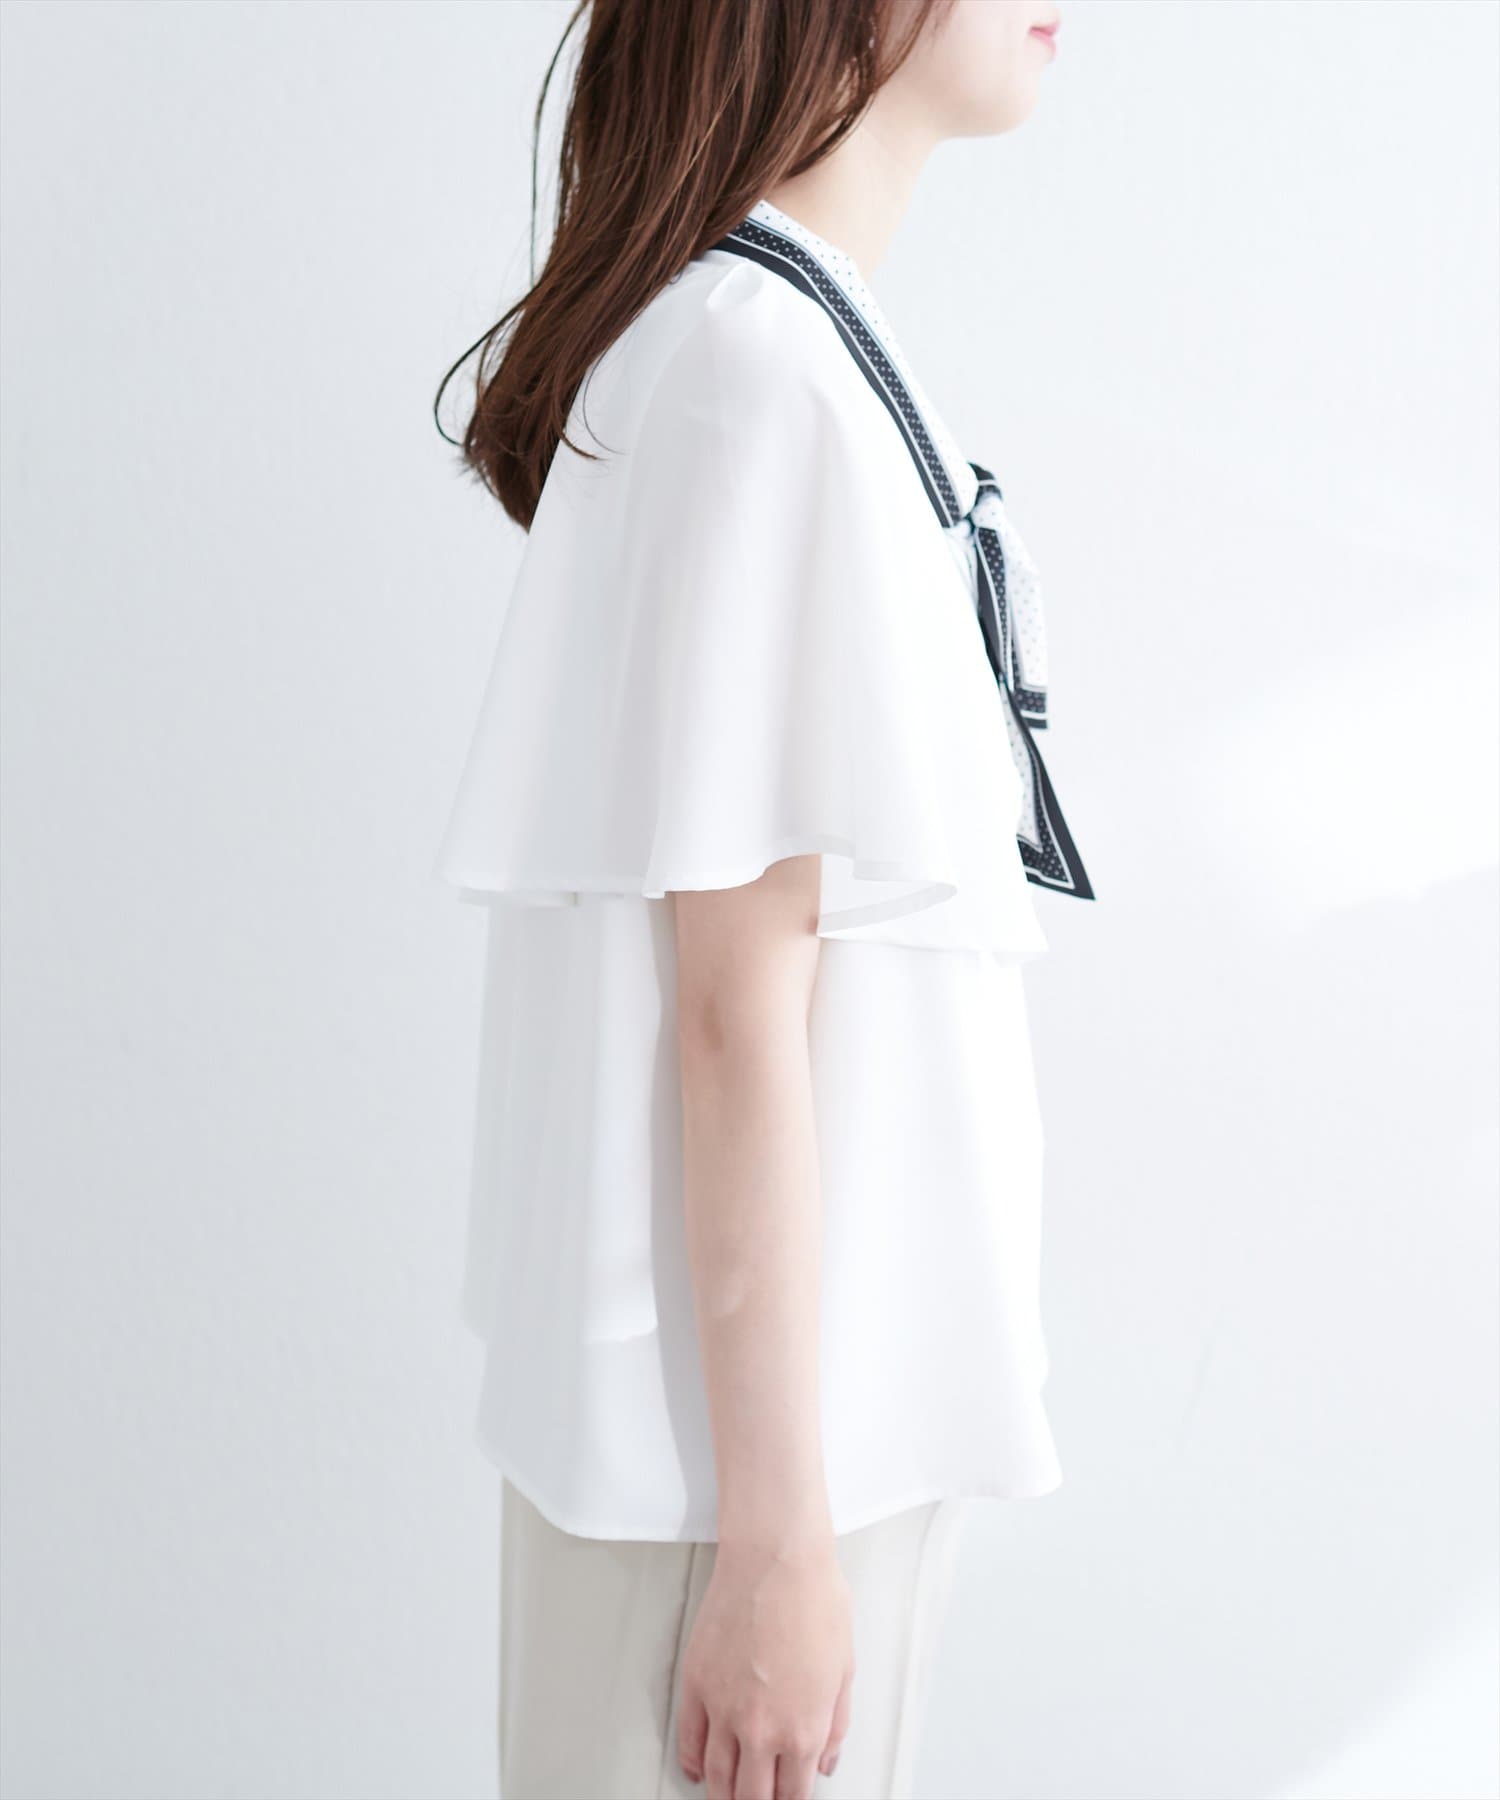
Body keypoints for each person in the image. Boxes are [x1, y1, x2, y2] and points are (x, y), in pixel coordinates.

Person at [431, 3, 1087, 1796]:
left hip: (781, 1456)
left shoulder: (783, 352)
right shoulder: (760, 371)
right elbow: (733, 1003)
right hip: (744, 1488)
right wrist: (781, 1549)